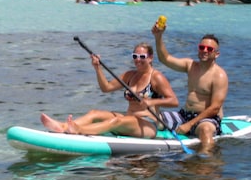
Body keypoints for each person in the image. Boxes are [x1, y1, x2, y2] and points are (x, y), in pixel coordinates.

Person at [40, 42, 179, 138]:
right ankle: (63, 127)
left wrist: (150, 102)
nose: (138, 60)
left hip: (148, 124)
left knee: (116, 122)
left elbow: (174, 101)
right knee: (95, 113)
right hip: (129, 118)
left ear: (150, 58)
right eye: (135, 57)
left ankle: (78, 130)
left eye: (142, 57)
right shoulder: (130, 75)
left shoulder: (156, 77)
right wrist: (97, 68)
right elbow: (106, 88)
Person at [151, 24, 229, 154]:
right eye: (201, 47)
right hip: (184, 115)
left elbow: (214, 108)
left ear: (216, 54)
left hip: (207, 119)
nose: (204, 50)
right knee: (151, 114)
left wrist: (190, 125)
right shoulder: (190, 65)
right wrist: (158, 36)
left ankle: (206, 162)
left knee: (205, 130)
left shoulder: (219, 75)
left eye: (209, 49)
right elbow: (165, 59)